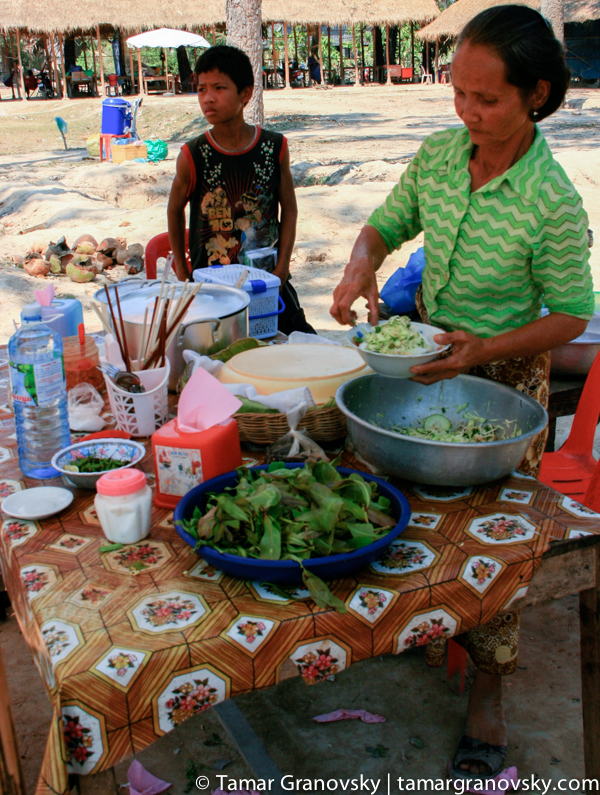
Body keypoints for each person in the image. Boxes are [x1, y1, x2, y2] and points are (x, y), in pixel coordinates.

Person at [330, 5, 593, 783]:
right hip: (429, 359)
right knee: (402, 507)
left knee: (493, 545)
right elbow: (386, 224)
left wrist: (485, 349)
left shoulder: (551, 199)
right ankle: (410, 628)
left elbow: (571, 314)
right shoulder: (442, 157)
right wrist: (357, 264)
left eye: (487, 100)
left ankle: (488, 693)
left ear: (535, 94)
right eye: (458, 94)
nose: (468, 114)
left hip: (503, 382)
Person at [168, 45, 315, 336]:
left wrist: (282, 269)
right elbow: (174, 209)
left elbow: (290, 209)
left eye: (219, 88)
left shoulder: (275, 148)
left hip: (266, 284)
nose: (208, 98)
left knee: (293, 343)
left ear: (245, 94)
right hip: (210, 290)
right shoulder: (192, 155)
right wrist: (182, 269)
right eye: (201, 89)